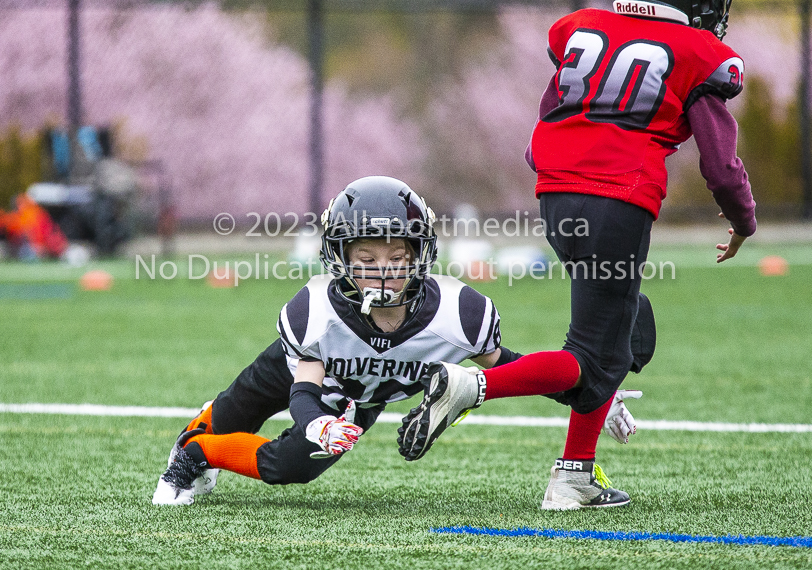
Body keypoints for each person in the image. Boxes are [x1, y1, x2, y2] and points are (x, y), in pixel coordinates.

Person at [398, 0, 756, 510]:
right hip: (618, 203)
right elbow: (721, 165)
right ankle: (475, 387)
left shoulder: (584, 31)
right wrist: (743, 220)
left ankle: (574, 476)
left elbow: (544, 127)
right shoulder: (698, 54)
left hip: (557, 201)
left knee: (622, 331)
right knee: (595, 359)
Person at [152, 175, 642, 506]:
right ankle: (194, 444)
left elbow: (508, 366)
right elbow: (304, 385)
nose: (382, 269)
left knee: (292, 466)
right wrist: (315, 422)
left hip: (360, 398)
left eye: (395, 253)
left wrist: (593, 393)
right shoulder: (317, 310)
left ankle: (204, 453)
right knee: (236, 412)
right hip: (304, 369)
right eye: (365, 254)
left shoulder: (457, 313)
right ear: (339, 256)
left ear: (420, 253)